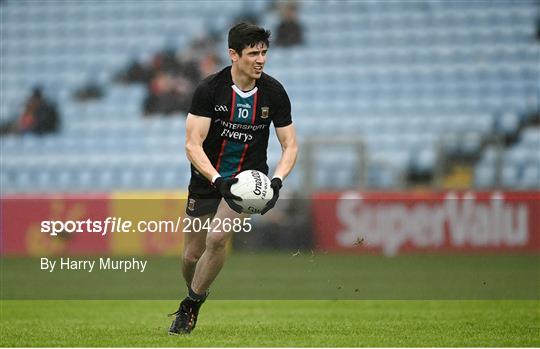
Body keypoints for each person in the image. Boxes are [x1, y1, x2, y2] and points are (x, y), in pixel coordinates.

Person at [168, 22, 298, 335]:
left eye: (264, 52)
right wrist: (216, 180)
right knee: (190, 257)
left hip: (246, 181)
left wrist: (276, 181)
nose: (261, 59)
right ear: (233, 54)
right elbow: (191, 144)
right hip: (207, 179)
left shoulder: (274, 92)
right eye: (253, 53)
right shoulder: (209, 90)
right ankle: (194, 294)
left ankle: (190, 307)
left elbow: (290, 144)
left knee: (217, 239)